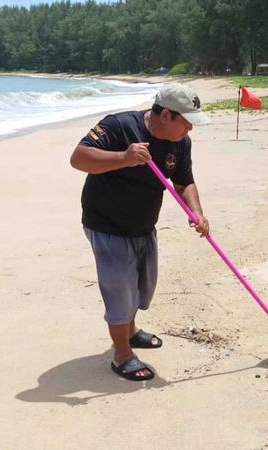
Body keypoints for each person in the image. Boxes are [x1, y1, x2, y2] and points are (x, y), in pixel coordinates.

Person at [70, 83, 211, 381]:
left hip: (144, 224)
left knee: (141, 286)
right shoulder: (119, 126)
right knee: (120, 289)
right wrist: (124, 157)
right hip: (106, 222)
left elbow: (185, 182)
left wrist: (197, 212)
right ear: (165, 115)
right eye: (185, 122)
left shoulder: (180, 143)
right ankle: (121, 354)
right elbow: (78, 158)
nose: (190, 129)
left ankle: (131, 332)